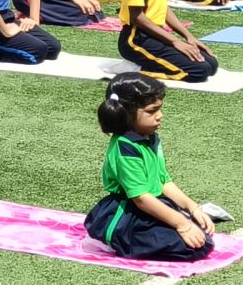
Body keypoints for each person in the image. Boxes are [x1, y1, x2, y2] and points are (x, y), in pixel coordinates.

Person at [86, 75, 213, 261]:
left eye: (160, 109)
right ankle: (108, 239)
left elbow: (163, 181)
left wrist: (193, 208)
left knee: (203, 237)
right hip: (127, 212)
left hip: (152, 204)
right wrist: (182, 224)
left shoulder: (150, 137)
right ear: (126, 114)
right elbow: (141, 198)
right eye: (152, 111)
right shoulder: (125, 147)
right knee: (190, 248)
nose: (160, 115)